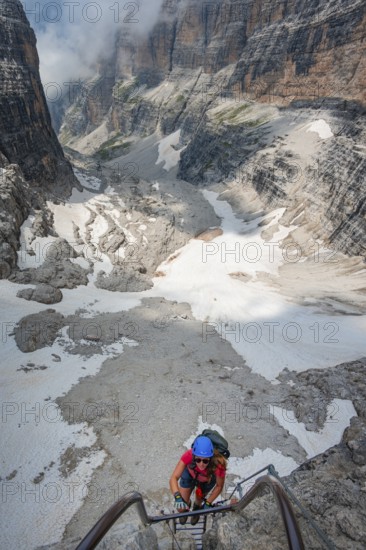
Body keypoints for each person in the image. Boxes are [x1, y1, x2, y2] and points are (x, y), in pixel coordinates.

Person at [169, 435, 227, 525]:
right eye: (198, 460)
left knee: (199, 500)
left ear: (211, 458)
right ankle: (184, 511)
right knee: (181, 506)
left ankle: (196, 509)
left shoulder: (218, 464)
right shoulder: (188, 455)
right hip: (190, 475)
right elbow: (174, 478)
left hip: (207, 480)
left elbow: (219, 486)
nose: (201, 464)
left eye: (205, 461)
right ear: (194, 456)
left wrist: (208, 503)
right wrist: (177, 496)